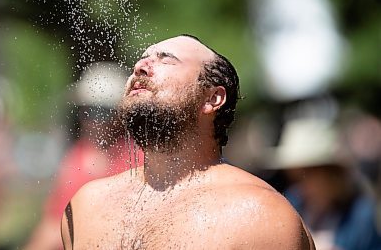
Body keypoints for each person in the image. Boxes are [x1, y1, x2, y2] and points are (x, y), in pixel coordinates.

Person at [61, 35, 315, 249]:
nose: (140, 67)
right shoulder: (87, 205)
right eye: (141, 59)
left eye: (166, 59)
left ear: (213, 98)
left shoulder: (261, 215)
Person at [25, 62, 143, 250]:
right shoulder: (75, 158)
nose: (94, 120)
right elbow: (53, 224)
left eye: (103, 112)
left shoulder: (139, 159)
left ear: (121, 114)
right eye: (88, 110)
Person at [267, 117, 381, 250]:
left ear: (330, 173)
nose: (300, 184)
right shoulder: (291, 202)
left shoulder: (360, 214)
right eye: (294, 175)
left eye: (306, 173)